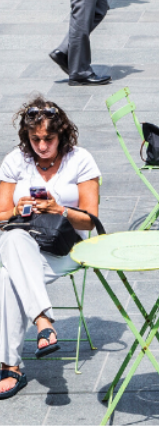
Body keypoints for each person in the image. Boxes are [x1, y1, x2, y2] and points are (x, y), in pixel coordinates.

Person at [0, 97, 101, 400]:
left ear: (62, 134)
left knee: (7, 276)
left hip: (65, 247)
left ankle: (10, 366)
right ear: (26, 137)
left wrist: (60, 209)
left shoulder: (80, 160)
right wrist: (17, 210)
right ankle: (43, 321)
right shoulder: (15, 161)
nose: (42, 146)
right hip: (22, 242)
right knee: (14, 241)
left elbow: (90, 221)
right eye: (35, 139)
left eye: (48, 139)